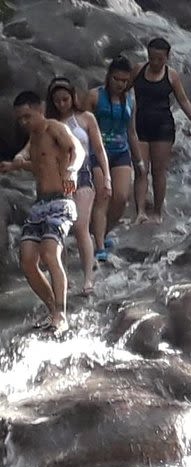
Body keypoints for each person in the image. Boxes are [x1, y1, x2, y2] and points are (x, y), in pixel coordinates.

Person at [0, 91, 86, 332]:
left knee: (50, 253)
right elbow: (38, 165)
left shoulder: (54, 128)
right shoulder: (34, 138)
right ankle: (53, 310)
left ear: (40, 110)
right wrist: (14, 164)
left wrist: (71, 171)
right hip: (40, 205)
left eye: (27, 116)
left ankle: (61, 314)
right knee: (27, 260)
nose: (23, 122)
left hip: (61, 202)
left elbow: (77, 151)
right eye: (20, 119)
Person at [46, 77, 112, 296]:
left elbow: (99, 149)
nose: (62, 104)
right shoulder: (50, 124)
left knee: (81, 226)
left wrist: (107, 176)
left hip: (84, 174)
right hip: (59, 177)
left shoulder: (86, 118)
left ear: (73, 97)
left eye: (65, 99)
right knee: (61, 229)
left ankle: (88, 279)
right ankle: (63, 278)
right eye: (57, 101)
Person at [84, 56, 148, 261]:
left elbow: (131, 131)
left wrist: (139, 161)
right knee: (104, 196)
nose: (120, 84)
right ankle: (100, 246)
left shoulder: (130, 100)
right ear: (109, 77)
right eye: (116, 79)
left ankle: (101, 232)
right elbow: (82, 127)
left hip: (121, 151)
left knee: (121, 198)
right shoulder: (94, 96)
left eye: (124, 80)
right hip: (97, 152)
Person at [132, 37, 191, 223]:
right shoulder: (138, 70)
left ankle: (157, 211)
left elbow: (183, 100)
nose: (154, 62)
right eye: (151, 58)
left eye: (159, 59)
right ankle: (140, 212)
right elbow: (123, 90)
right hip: (140, 124)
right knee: (141, 170)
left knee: (159, 171)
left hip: (163, 126)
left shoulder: (171, 75)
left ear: (167, 57)